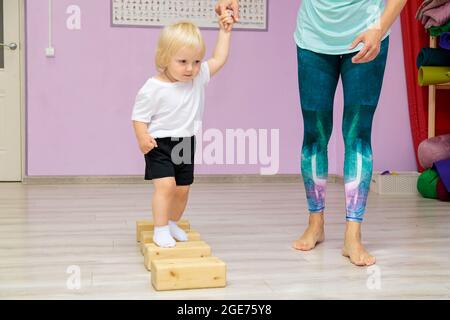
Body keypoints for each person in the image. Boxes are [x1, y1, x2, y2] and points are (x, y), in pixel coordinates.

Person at [216, 0, 407, 266]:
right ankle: (315, 223)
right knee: (314, 135)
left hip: (369, 33)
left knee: (358, 134)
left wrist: (380, 26)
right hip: (313, 39)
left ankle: (353, 233)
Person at [131, 15, 234, 247]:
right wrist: (141, 138)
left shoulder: (197, 79)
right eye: (183, 61)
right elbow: (138, 117)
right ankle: (160, 228)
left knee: (182, 189)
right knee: (165, 186)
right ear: (165, 58)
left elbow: (219, 58)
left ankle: (172, 222)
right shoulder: (153, 87)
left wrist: (225, 32)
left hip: (185, 142)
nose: (191, 68)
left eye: (196, 62)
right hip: (159, 143)